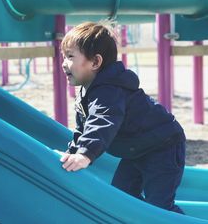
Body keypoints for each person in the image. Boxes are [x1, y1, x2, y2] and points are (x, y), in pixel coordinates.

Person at [57, 22, 186, 214]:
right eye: (63, 57)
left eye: (70, 56)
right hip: (136, 151)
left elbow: (103, 121)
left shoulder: (109, 90)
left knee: (159, 207)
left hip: (163, 146)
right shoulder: (87, 91)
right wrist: (73, 151)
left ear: (95, 62)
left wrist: (85, 154)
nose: (64, 63)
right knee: (121, 197)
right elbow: (83, 128)